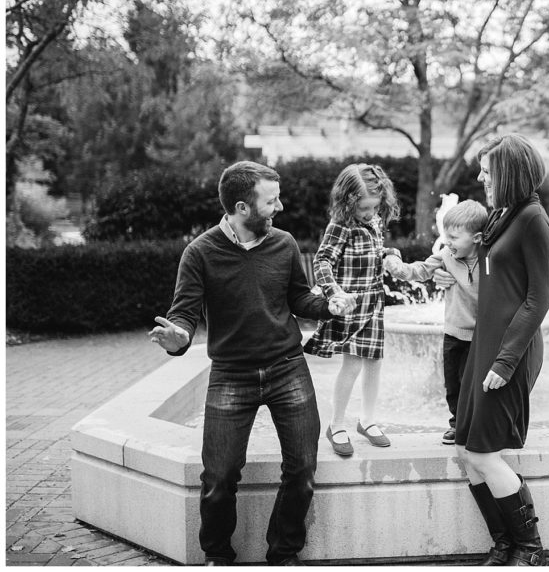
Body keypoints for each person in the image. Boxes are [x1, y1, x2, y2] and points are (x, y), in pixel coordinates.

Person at [148, 161, 352, 566]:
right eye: (271, 200)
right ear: (242, 207)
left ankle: (283, 553)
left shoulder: (284, 243)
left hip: (287, 367)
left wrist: (327, 306)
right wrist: (179, 338)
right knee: (219, 477)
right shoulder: (200, 252)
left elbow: (298, 297)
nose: (280, 207)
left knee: (303, 468)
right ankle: (218, 556)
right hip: (231, 374)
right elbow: (183, 314)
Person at [437, 133, 549, 566]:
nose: (481, 178)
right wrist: (447, 270)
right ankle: (504, 544)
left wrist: (505, 362)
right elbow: (481, 268)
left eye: (488, 171)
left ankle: (531, 548)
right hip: (481, 347)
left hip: (510, 352)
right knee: (466, 450)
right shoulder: (503, 215)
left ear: (509, 172)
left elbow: (538, 299)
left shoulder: (533, 219)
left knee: (484, 453)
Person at [303, 163, 401, 457]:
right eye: (363, 208)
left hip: (374, 304)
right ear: (347, 202)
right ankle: (336, 425)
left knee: (374, 362)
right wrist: (334, 292)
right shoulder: (340, 225)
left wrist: (390, 255)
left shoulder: (374, 221)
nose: (370, 213)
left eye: (375, 207)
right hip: (350, 307)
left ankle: (367, 420)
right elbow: (322, 261)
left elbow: (374, 251)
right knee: (354, 364)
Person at [383, 199, 489, 445]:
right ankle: (457, 424)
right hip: (453, 333)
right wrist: (396, 267)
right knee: (453, 385)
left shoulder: (490, 258)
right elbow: (419, 270)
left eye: (454, 237)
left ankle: (477, 424)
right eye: (446, 236)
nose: (447, 242)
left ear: (476, 238)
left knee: (474, 385)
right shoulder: (446, 256)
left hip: (481, 337)